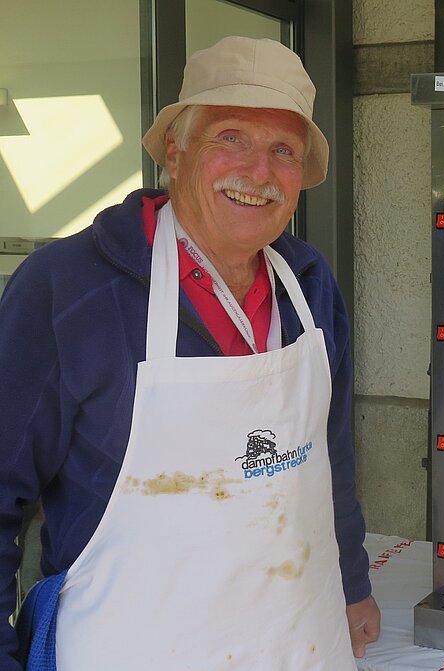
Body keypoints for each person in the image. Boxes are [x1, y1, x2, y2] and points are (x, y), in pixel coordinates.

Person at [0, 36, 380, 670]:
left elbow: (329, 455)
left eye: (283, 151)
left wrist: (353, 584)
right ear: (174, 150)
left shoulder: (309, 283)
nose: (258, 172)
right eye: (230, 137)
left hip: (298, 646)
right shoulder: (64, 289)